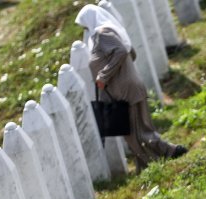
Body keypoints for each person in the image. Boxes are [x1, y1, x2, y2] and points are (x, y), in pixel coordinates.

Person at [75, 5, 187, 171]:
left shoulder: (102, 33)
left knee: (138, 131)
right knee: (132, 131)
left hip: (124, 90)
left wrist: (104, 76)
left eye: (85, 25)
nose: (85, 29)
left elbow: (120, 51)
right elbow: (131, 52)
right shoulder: (107, 32)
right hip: (124, 88)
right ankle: (145, 164)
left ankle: (171, 151)